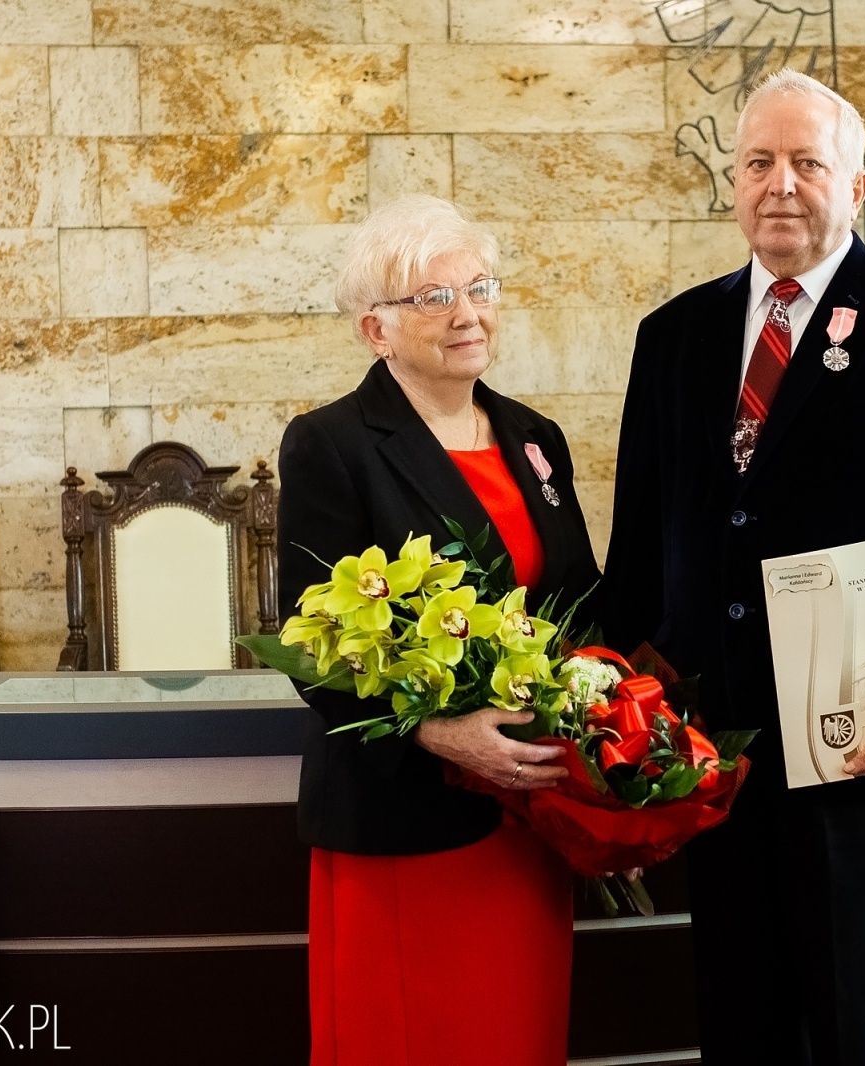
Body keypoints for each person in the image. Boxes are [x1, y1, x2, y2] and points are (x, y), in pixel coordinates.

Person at [602, 69, 865, 1065]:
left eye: (805, 162)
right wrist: (623, 705)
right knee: (739, 1031)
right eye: (757, 163)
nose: (778, 184)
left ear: (858, 183)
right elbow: (637, 542)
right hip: (714, 754)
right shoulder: (673, 338)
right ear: (733, 181)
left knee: (854, 1036)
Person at [276, 196, 602, 1066]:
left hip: (529, 821)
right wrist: (438, 733)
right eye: (434, 297)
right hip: (407, 820)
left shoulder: (536, 439)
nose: (468, 314)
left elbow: (580, 606)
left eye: (480, 287)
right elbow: (313, 643)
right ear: (375, 328)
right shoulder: (331, 445)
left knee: (515, 1034)